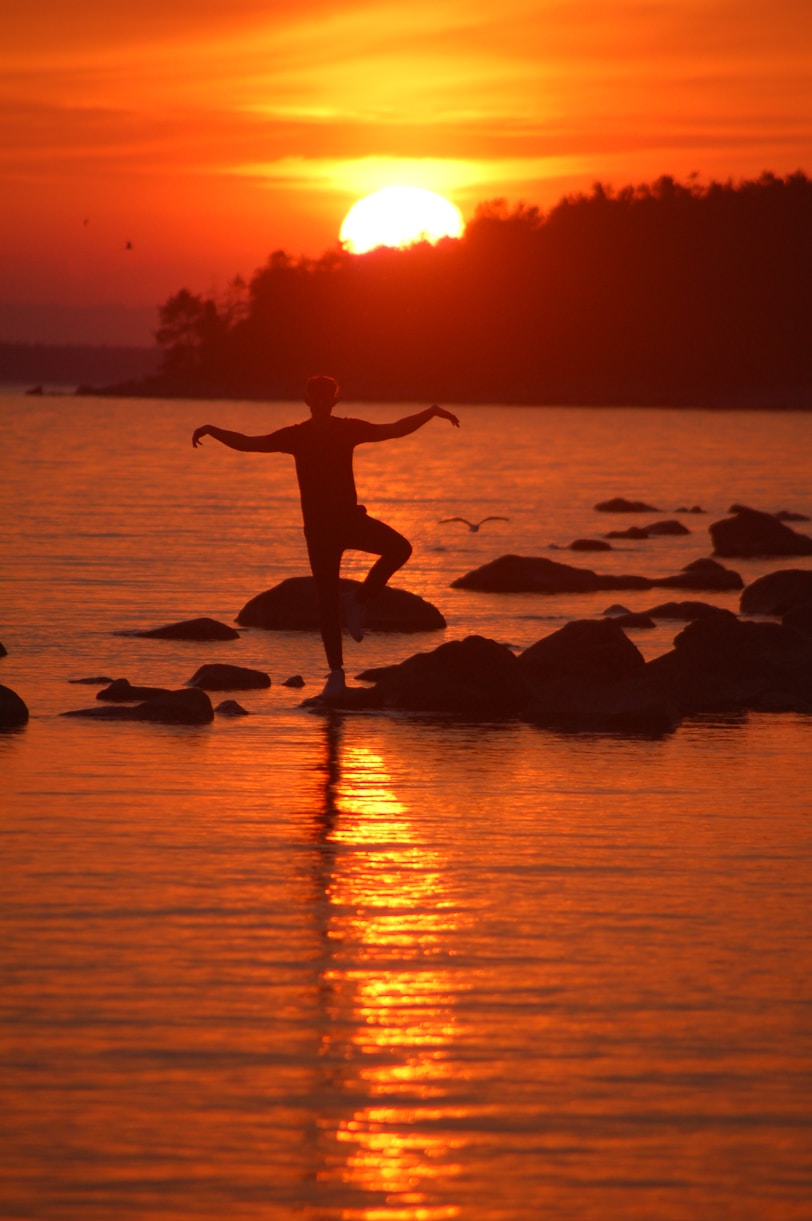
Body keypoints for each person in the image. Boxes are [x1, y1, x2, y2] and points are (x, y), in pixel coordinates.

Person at [192, 375, 460, 697]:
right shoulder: (296, 437)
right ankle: (336, 674)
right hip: (319, 532)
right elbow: (250, 442)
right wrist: (213, 430)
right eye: (316, 399)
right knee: (326, 604)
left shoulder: (347, 429)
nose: (321, 404)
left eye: (326, 399)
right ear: (308, 402)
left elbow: (392, 430)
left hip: (350, 520)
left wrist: (429, 412)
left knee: (400, 548)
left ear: (333, 402)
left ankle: (359, 600)